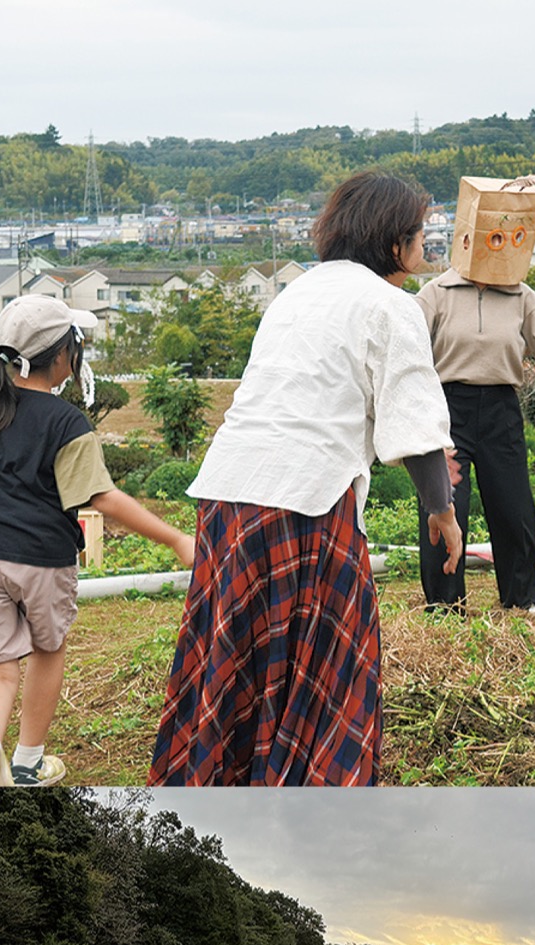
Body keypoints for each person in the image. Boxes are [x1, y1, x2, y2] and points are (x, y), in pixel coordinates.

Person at [148, 171, 462, 786]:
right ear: (394, 241)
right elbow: (417, 425)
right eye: (422, 230)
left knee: (235, 651)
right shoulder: (391, 304)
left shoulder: (296, 291)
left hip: (230, 492)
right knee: (327, 659)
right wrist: (442, 511)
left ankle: (221, 783)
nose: (428, 241)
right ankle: (305, 792)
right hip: (306, 501)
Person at [0, 295, 194, 788]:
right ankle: (26, 763)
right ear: (64, 358)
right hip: (41, 559)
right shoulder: (66, 422)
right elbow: (99, 497)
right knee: (47, 649)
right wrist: (174, 538)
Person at [414, 175, 535, 619]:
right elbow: (407, 354)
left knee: (513, 508)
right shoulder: (435, 295)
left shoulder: (522, 296)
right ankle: (445, 606)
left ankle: (523, 599)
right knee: (444, 507)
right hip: (448, 415)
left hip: (502, 410)